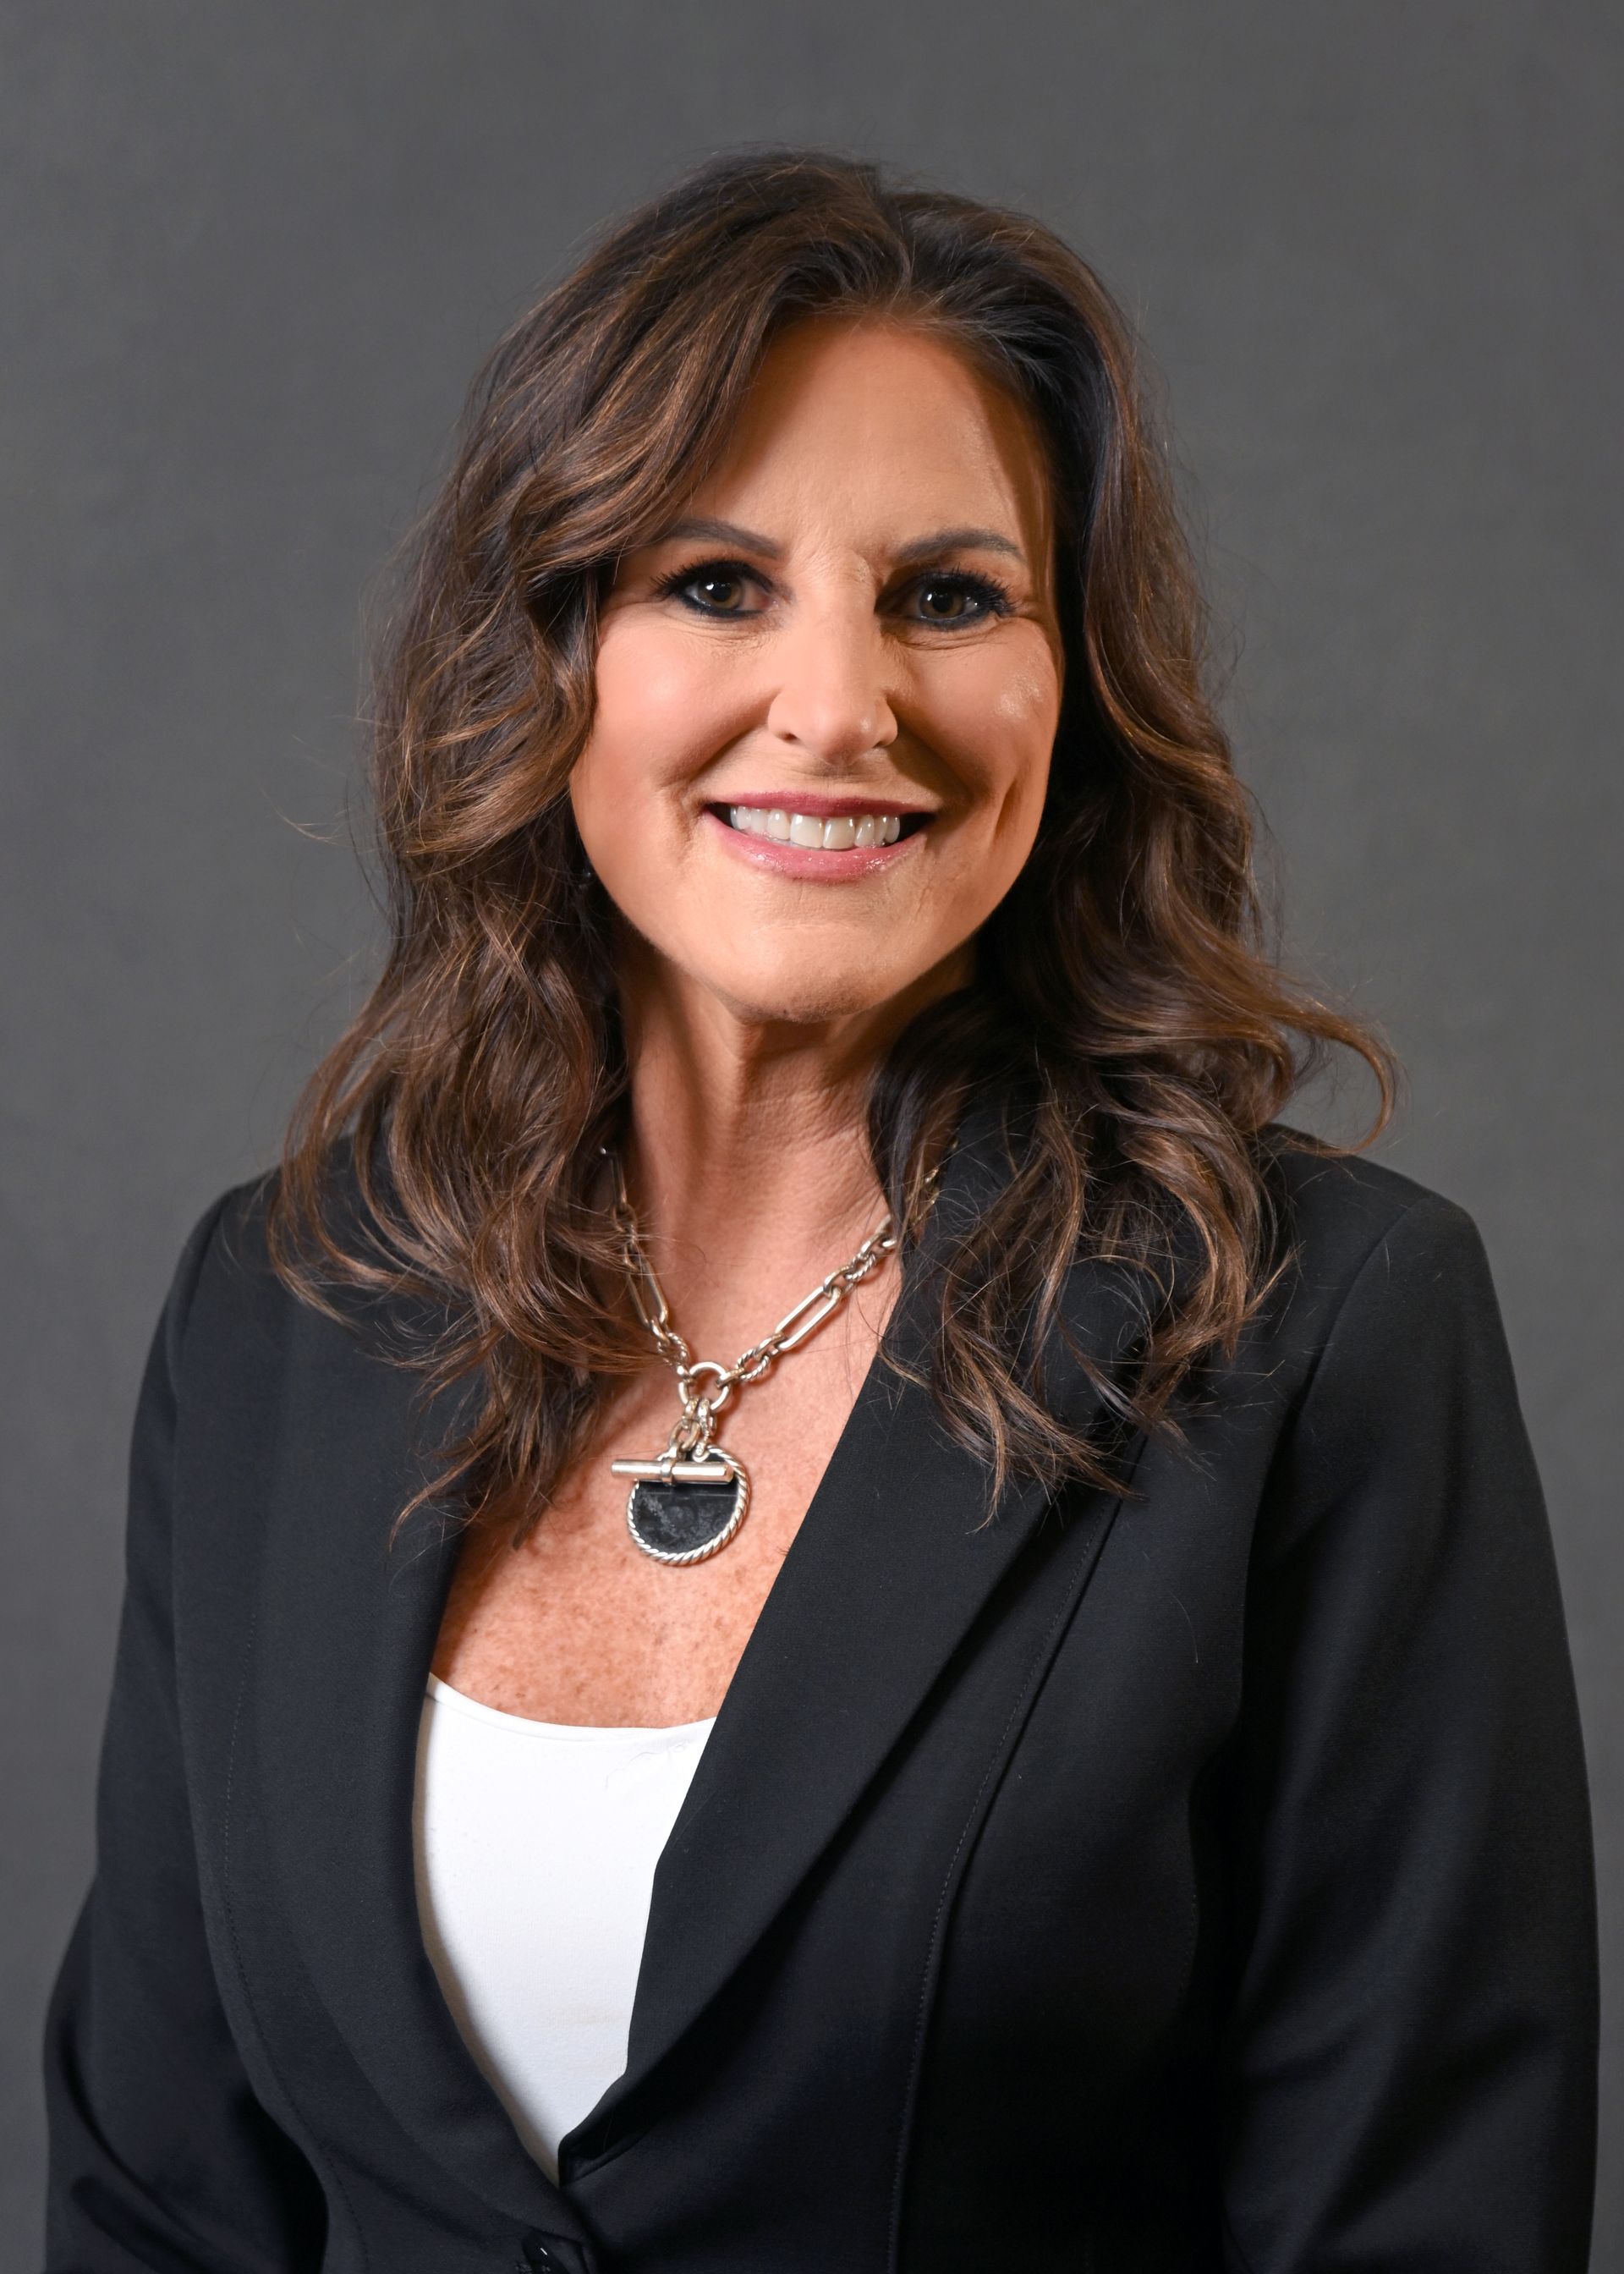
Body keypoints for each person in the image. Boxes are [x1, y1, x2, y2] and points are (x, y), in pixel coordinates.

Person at [41, 147, 1597, 2274]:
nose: (842, 706)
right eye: (714, 583)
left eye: (949, 597)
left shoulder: (1320, 1326)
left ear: (1075, 689)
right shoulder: (287, 1304)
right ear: (550, 653)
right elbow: (156, 2201)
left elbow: (1417, 2221)